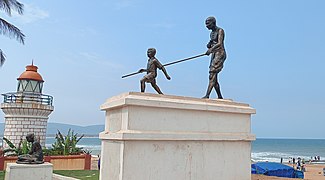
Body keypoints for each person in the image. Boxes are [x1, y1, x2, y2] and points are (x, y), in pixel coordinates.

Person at [202, 16, 227, 99]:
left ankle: (207, 95)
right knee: (214, 76)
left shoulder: (220, 31)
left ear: (213, 23)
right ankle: (219, 96)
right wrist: (209, 45)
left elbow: (219, 43)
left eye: (208, 23)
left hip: (220, 53)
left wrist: (211, 49)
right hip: (214, 54)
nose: (206, 26)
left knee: (212, 73)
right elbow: (212, 42)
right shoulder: (211, 33)